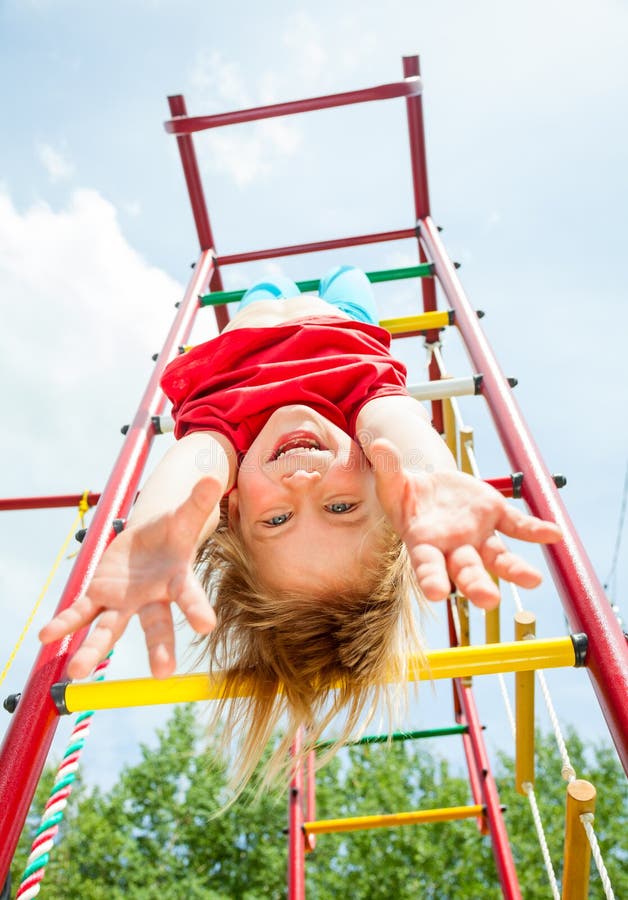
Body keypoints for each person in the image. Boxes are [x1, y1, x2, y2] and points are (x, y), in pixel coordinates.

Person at [40, 265, 561, 796]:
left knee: (267, 285)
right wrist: (433, 479)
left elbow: (193, 470)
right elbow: (400, 430)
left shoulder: (224, 435)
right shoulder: (366, 410)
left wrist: (159, 528)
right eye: (341, 506)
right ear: (383, 485)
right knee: (348, 277)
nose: (304, 485)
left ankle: (273, 292)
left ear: (234, 507)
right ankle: (335, 286)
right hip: (346, 316)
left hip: (250, 322)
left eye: (278, 520)